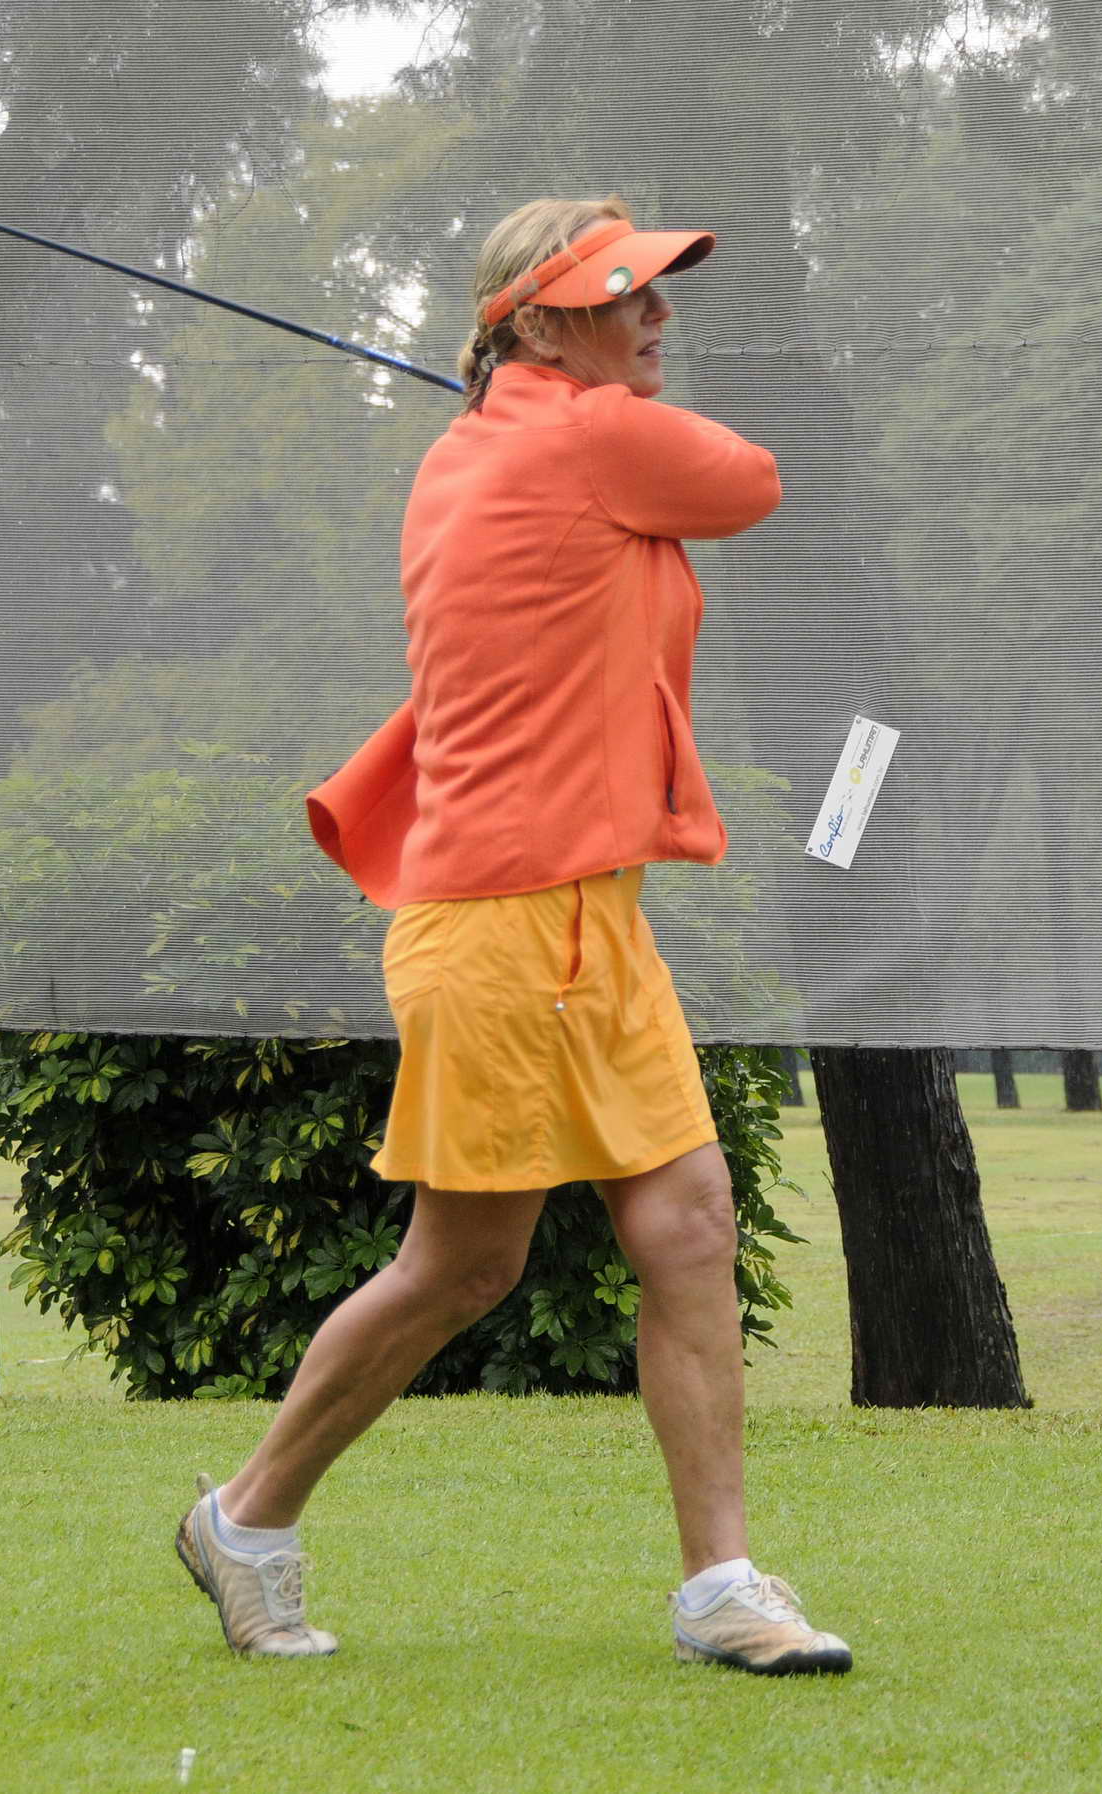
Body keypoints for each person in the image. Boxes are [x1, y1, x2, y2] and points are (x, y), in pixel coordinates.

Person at [169, 196, 851, 1677]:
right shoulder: (579, 436)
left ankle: (721, 1587)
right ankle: (246, 1516)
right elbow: (751, 480)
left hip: (592, 914)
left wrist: (545, 398)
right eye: (624, 295)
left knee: (689, 1225)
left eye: (658, 290)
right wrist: (569, 410)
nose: (658, 314)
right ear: (539, 321)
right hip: (495, 925)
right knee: (463, 1268)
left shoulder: (487, 444)